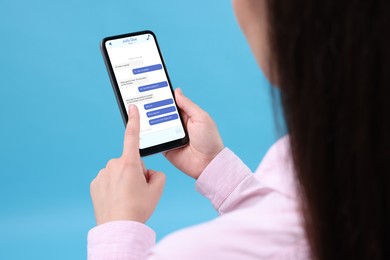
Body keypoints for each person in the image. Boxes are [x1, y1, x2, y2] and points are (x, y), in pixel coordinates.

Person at [88, 0, 389, 259]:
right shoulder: (313, 175)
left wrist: (117, 231)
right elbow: (282, 226)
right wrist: (216, 169)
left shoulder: (188, 253)